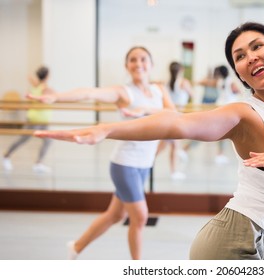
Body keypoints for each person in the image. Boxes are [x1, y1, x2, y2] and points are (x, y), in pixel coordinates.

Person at [34, 22, 264, 260]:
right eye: (239, 56)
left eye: (257, 47)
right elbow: (177, 123)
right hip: (231, 242)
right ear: (239, 74)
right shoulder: (244, 113)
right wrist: (107, 129)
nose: (250, 57)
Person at [29, 46, 175, 260]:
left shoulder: (159, 90)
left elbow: (173, 114)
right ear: (127, 66)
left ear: (151, 65)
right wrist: (57, 97)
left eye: (143, 59)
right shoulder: (123, 92)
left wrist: (145, 111)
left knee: (115, 215)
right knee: (140, 217)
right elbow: (89, 92)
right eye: (133, 60)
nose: (138, 64)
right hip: (125, 165)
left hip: (144, 165)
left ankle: (76, 247)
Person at [2, 66, 53, 173]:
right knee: (23, 139)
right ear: (47, 76)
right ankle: (6, 156)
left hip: (43, 120)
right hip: (35, 119)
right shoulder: (44, 88)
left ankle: (39, 163)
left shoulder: (35, 86)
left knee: (48, 141)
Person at [157, 61, 194, 180]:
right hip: (176, 118)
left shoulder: (166, 83)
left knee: (170, 145)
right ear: (181, 70)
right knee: (171, 145)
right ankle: (173, 171)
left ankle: (172, 170)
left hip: (168, 116)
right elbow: (192, 95)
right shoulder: (184, 83)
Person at [214, 65, 242, 164]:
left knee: (220, 132)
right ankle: (220, 154)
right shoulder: (230, 81)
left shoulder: (220, 81)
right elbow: (238, 91)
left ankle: (220, 154)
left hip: (219, 106)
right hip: (228, 109)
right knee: (224, 133)